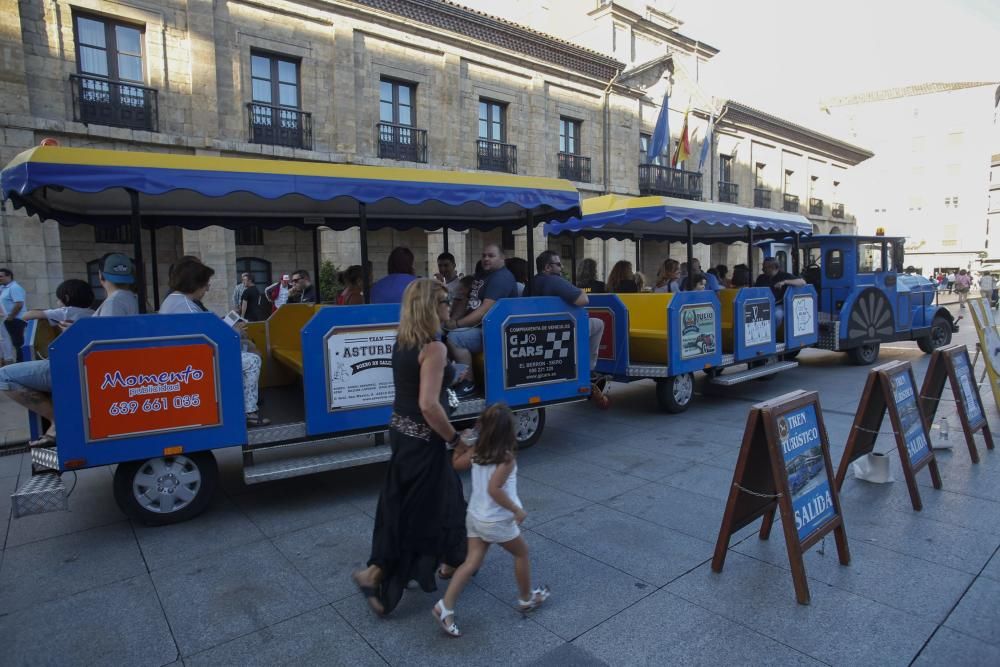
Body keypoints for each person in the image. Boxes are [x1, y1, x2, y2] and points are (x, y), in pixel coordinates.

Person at [353, 278, 469, 617]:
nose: (450, 306)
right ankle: (376, 576)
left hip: (403, 435)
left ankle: (452, 559)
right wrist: (456, 439)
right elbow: (429, 405)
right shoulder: (434, 348)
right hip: (424, 441)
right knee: (418, 513)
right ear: (432, 307)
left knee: (434, 500)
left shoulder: (403, 341)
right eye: (446, 301)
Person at [433, 403, 550, 637]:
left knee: (471, 563)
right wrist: (517, 510)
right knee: (521, 553)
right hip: (496, 520)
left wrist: (459, 447)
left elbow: (455, 465)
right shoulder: (506, 458)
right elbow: (495, 489)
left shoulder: (477, 449)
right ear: (508, 432)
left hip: (475, 517)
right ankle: (526, 599)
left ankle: (444, 607)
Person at [0, 254, 138, 448]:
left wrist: (72, 333)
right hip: (98, 370)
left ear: (101, 276)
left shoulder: (114, 303)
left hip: (86, 370)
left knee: (4, 376)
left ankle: (58, 421)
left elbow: (105, 345)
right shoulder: (131, 299)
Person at [159, 258, 270, 427]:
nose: (208, 288)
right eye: (205, 284)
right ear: (194, 283)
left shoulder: (175, 300)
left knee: (245, 347)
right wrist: (236, 332)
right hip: (194, 365)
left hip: (185, 359)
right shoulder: (187, 307)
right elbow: (213, 339)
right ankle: (249, 412)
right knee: (252, 360)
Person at [444, 244, 518, 395]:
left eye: (491, 256)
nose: (486, 258)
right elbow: (464, 300)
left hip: (494, 332)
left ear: (502, 258)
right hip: (478, 328)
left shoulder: (501, 278)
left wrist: (457, 324)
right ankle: (452, 378)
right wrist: (451, 320)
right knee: (442, 334)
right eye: (484, 255)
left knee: (454, 338)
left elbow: (485, 309)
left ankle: (468, 383)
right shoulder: (481, 275)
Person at [526, 250, 605, 373]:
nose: (561, 267)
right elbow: (583, 300)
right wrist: (579, 290)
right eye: (558, 264)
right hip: (559, 332)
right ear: (547, 267)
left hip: (534, 332)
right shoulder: (554, 280)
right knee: (598, 324)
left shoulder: (532, 282)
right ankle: (589, 368)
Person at [755, 257, 806, 325]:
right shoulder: (761, 278)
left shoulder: (784, 276)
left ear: (773, 267)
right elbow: (754, 291)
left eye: (765, 268)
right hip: (762, 304)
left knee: (777, 315)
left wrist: (784, 282)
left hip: (778, 305)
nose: (762, 270)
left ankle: (771, 334)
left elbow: (802, 282)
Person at [0, 268, 27, 362]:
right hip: (9, 320)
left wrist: (11, 316)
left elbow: (19, 303)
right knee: (13, 342)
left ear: (9, 276)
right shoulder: (4, 288)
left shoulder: (14, 287)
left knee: (18, 343)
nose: (0, 278)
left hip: (16, 320)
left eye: (1, 276)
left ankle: (21, 362)